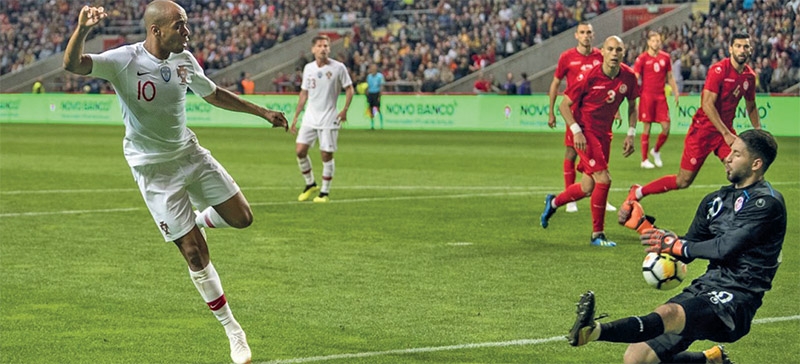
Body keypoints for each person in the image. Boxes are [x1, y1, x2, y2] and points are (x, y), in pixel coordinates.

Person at [63, 3, 288, 364]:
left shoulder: (184, 60)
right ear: (156, 30)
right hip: (153, 170)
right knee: (194, 252)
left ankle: (197, 220)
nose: (187, 33)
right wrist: (83, 30)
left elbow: (213, 93)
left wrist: (262, 112)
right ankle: (233, 330)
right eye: (180, 26)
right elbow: (73, 65)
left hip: (189, 154)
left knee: (243, 218)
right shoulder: (124, 60)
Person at [570, 129, 785, 364]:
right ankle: (709, 360)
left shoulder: (767, 203)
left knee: (668, 314)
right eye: (730, 152)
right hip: (705, 286)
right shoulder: (715, 201)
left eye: (736, 154)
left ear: (756, 164)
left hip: (737, 298)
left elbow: (724, 247)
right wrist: (644, 227)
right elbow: (688, 247)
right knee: (636, 359)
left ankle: (593, 331)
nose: (727, 158)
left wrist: (677, 246)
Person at [620, 33, 761, 219]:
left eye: (746, 46)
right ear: (730, 49)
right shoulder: (719, 70)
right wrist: (726, 133)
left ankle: (743, 215)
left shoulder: (749, 77)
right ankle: (639, 191)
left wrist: (759, 132)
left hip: (725, 132)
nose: (742, 50)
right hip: (702, 131)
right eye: (738, 46)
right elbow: (707, 105)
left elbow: (751, 106)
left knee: (743, 169)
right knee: (683, 181)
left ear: (750, 50)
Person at [540, 36, 639, 248]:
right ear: (602, 52)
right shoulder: (589, 76)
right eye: (610, 49)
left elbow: (632, 106)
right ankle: (597, 235)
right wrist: (576, 131)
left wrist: (631, 133)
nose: (614, 53)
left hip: (605, 133)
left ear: (624, 53)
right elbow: (564, 106)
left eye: (618, 50)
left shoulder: (629, 77)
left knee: (587, 187)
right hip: (586, 132)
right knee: (603, 179)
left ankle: (554, 202)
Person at [547, 22, 616, 213]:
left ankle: (601, 197)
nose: (586, 35)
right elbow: (555, 83)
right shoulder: (567, 57)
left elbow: (610, 82)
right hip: (574, 113)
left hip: (597, 114)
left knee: (601, 156)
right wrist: (551, 111)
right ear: (576, 35)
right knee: (571, 152)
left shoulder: (600, 55)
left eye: (589, 32)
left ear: (593, 35)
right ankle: (570, 198)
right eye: (582, 32)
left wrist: (614, 108)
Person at [291, 34, 354, 203]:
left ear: (329, 49)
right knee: (300, 151)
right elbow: (304, 93)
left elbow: (349, 89)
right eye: (319, 46)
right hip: (310, 116)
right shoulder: (308, 68)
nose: (323, 49)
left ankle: (324, 192)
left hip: (329, 117)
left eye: (326, 46)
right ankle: (310, 183)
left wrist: (344, 110)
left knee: (326, 154)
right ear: (313, 49)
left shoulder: (338, 67)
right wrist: (296, 116)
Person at [633, 31, 680, 169]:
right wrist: (633, 94)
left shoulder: (665, 57)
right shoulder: (642, 58)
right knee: (647, 127)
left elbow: (670, 76)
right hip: (647, 96)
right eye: (653, 41)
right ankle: (644, 160)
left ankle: (656, 150)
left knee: (666, 127)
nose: (656, 43)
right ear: (648, 42)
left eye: (658, 41)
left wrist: (676, 91)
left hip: (661, 97)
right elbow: (635, 77)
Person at [365, 64, 385, 130]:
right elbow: (368, 86)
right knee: (371, 110)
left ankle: (381, 125)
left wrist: (379, 96)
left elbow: (381, 86)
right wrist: (367, 95)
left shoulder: (380, 76)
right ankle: (372, 125)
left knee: (378, 109)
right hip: (371, 93)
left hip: (376, 93)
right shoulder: (369, 76)